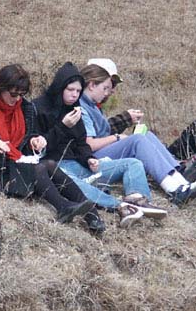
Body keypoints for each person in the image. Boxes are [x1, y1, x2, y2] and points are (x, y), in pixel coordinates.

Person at [0, 64, 97, 227]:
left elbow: (27, 140)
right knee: (38, 168)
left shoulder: (26, 108)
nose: (17, 99)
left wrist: (34, 142)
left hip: (17, 166)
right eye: (13, 94)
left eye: (21, 94)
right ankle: (63, 206)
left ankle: (91, 213)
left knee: (49, 164)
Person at [33, 62, 167, 228]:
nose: (74, 95)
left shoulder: (75, 109)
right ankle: (120, 206)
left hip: (79, 164)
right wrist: (62, 126)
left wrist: (89, 158)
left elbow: (81, 143)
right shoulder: (40, 108)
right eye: (70, 90)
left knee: (132, 163)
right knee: (74, 184)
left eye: (78, 91)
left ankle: (138, 198)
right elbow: (39, 148)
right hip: (57, 166)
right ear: (60, 87)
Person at [79, 63, 196, 205]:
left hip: (100, 154)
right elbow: (89, 144)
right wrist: (116, 138)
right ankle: (174, 189)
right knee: (137, 140)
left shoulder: (92, 105)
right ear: (92, 85)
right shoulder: (83, 108)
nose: (107, 93)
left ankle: (181, 178)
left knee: (147, 135)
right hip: (92, 160)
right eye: (105, 88)